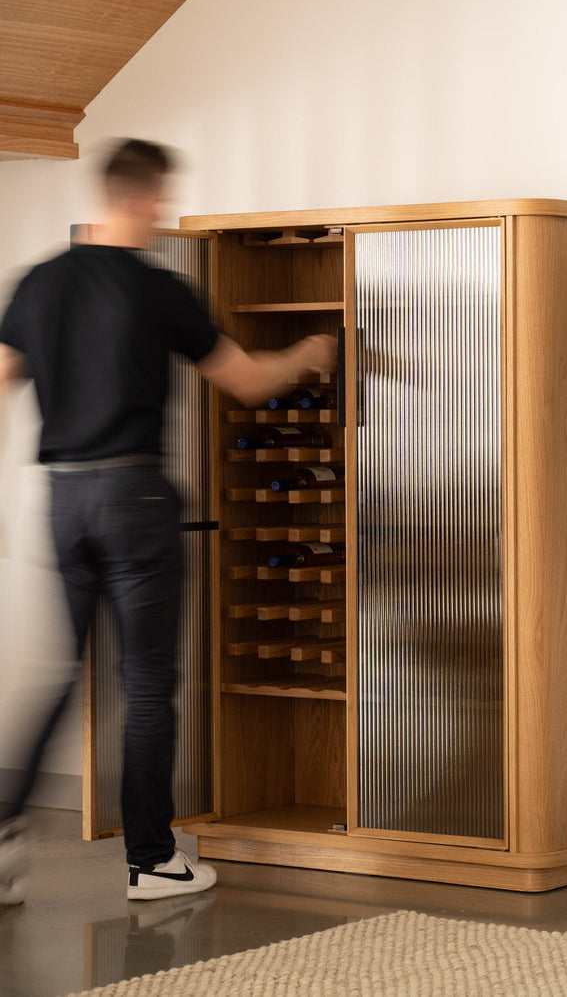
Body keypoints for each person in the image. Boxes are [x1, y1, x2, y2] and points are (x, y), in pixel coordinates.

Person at [0, 139, 336, 905]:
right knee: (148, 684)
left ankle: (2, 833)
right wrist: (308, 351)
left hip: (63, 497)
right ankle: (153, 861)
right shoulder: (160, 290)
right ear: (148, 199)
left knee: (63, 672)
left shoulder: (40, 283)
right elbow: (248, 382)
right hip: (135, 498)